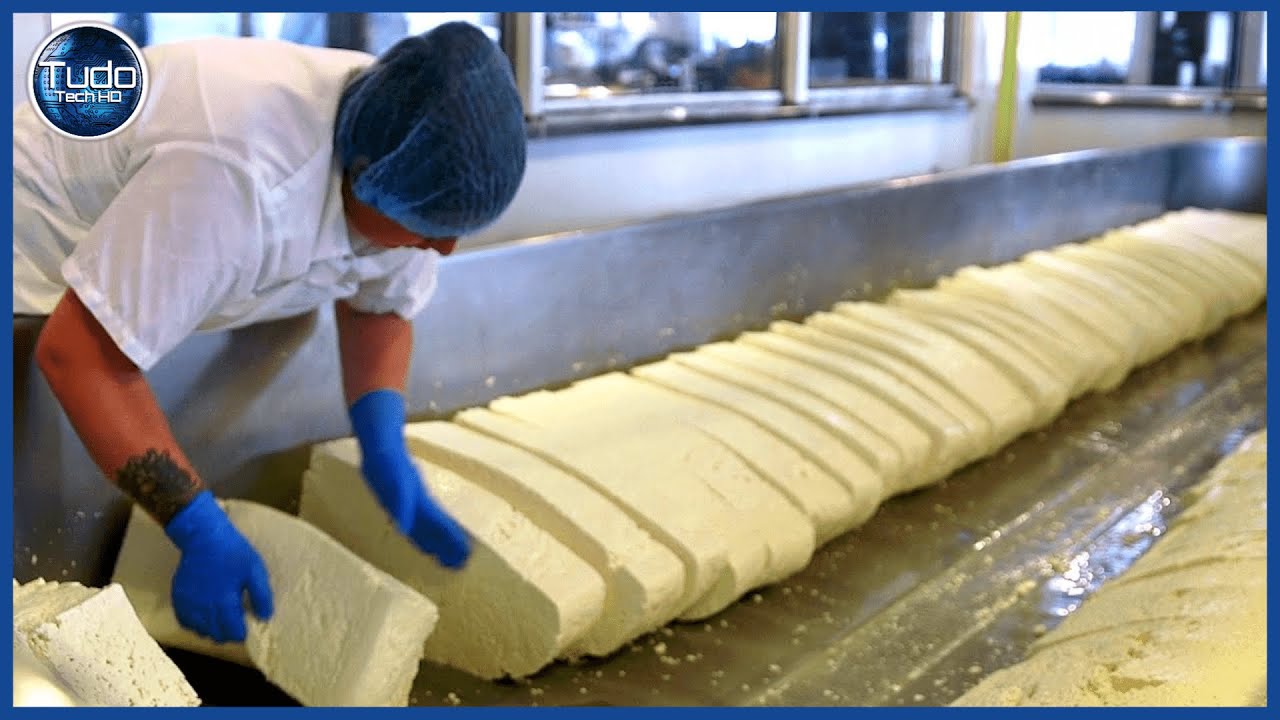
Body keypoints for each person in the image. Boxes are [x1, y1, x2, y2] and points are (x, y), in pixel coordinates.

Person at [12, 22, 527, 643]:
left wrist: (383, 445)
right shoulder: (234, 169)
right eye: (428, 229)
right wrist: (197, 528)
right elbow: (78, 357)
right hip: (30, 256)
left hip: (139, 266)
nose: (443, 250)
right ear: (362, 175)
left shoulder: (406, 147)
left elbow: (380, 303)